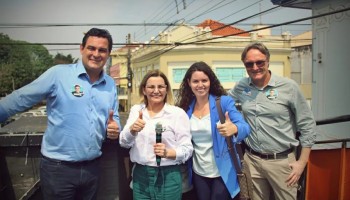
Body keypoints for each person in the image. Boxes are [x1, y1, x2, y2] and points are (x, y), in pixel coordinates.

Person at [0, 28, 121, 200]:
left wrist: (115, 127)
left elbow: (114, 116)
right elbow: (21, 98)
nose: (96, 54)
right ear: (82, 49)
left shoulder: (110, 83)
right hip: (58, 170)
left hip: (92, 168)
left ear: (108, 54)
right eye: (91, 48)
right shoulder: (59, 74)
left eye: (102, 50)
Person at [229, 42, 317, 200]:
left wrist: (301, 163)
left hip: (283, 162)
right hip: (252, 161)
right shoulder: (241, 87)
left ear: (268, 61)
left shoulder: (289, 87)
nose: (255, 67)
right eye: (249, 64)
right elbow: (222, 104)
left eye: (260, 62)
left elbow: (307, 125)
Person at [176, 61, 251, 200]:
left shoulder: (223, 102)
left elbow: (245, 128)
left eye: (204, 80)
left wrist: (234, 128)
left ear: (210, 81)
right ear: (189, 82)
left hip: (222, 171)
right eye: (195, 81)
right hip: (198, 172)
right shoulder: (185, 108)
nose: (200, 85)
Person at [119, 69, 193, 200]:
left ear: (166, 89)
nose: (156, 91)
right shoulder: (136, 110)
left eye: (160, 87)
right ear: (144, 90)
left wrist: (168, 153)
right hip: (141, 176)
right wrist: (132, 130)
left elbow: (187, 149)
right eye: (151, 87)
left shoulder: (177, 113)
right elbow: (124, 143)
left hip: (168, 175)